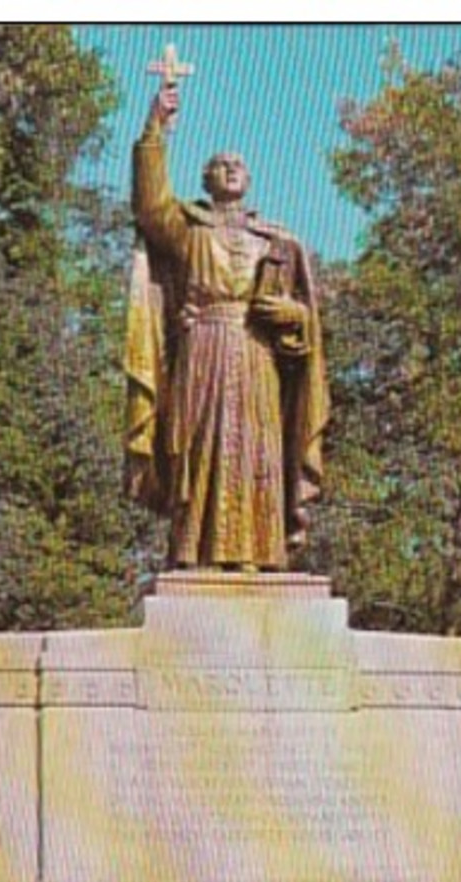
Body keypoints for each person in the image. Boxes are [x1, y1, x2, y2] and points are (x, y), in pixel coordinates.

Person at [124, 85, 328, 572]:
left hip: (257, 353)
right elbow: (151, 207)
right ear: (206, 178)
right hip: (205, 349)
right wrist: (156, 128)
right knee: (201, 447)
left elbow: (307, 325)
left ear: (250, 180)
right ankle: (196, 552)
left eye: (238, 164)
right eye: (221, 164)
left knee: (257, 450)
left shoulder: (277, 241)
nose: (231, 168)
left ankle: (259, 554)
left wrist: (290, 316)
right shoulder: (189, 228)